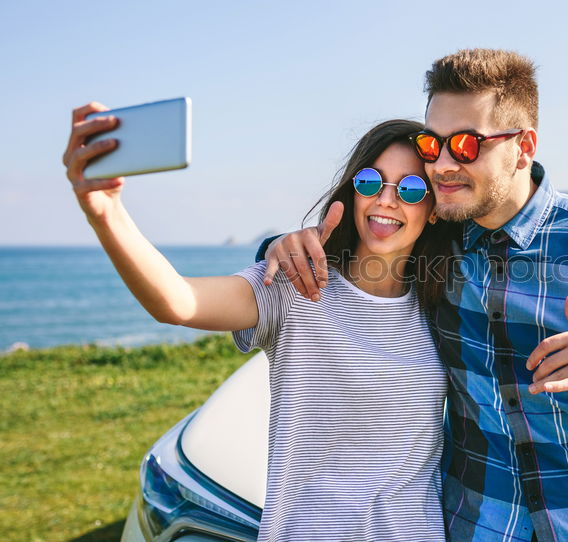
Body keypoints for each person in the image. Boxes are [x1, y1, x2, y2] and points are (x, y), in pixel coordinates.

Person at [258, 49, 568, 542]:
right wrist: (279, 247)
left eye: (466, 144)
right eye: (432, 146)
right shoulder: (435, 240)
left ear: (523, 147)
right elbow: (361, 249)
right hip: (477, 529)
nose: (443, 164)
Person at [62, 107, 455, 542]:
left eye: (412, 188)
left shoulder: (444, 306)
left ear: (435, 209)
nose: (386, 199)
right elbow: (177, 301)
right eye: (370, 182)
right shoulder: (295, 286)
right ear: (353, 192)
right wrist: (105, 213)